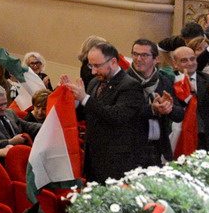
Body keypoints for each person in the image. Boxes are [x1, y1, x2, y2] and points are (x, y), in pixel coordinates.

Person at [58, 42, 146, 182]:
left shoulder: (130, 86)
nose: (93, 71)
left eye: (97, 66)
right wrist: (72, 98)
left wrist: (85, 98)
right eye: (91, 66)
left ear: (113, 61)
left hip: (116, 161)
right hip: (93, 158)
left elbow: (116, 116)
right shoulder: (95, 82)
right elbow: (88, 113)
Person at [126, 39, 183, 167]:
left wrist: (168, 108)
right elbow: (125, 113)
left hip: (156, 147)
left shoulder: (164, 81)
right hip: (131, 148)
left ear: (156, 59)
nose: (138, 59)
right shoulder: (124, 81)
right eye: (135, 54)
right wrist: (152, 109)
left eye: (144, 55)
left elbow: (179, 115)